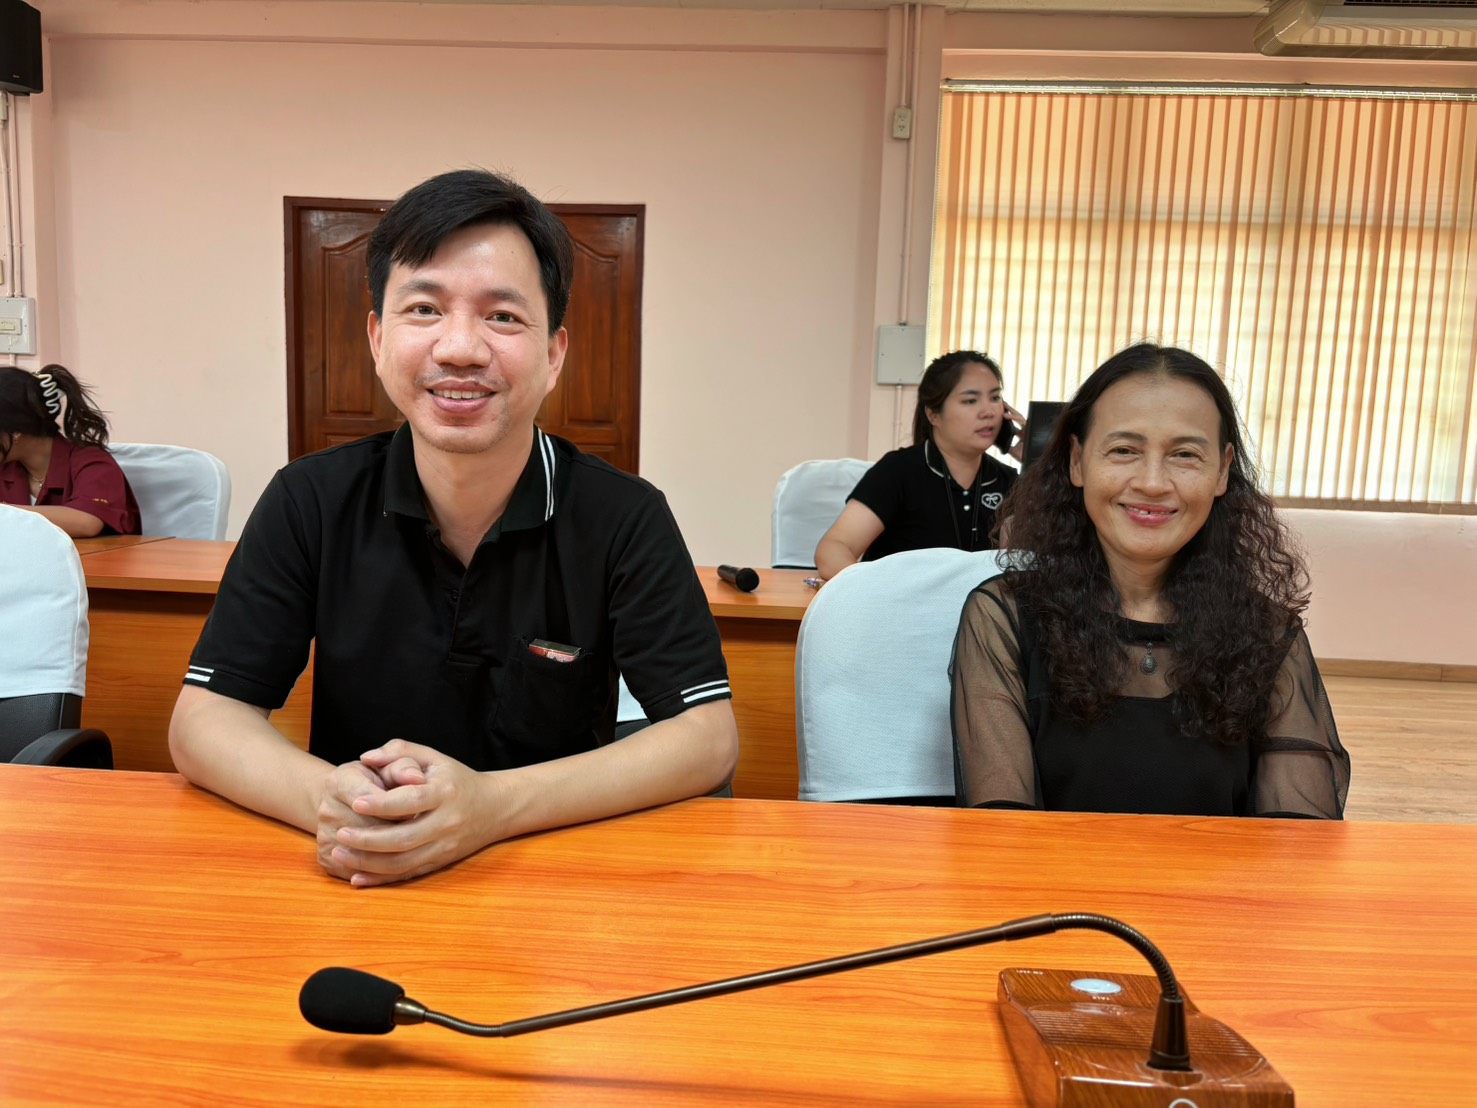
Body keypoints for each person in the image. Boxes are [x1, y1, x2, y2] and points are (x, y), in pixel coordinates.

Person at [169, 169, 739, 887]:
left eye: (502, 317)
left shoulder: (624, 516)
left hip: (550, 875)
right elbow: (204, 719)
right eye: (424, 309)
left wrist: (489, 808)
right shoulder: (309, 500)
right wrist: (337, 803)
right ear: (378, 339)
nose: (460, 348)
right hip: (359, 876)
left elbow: (706, 738)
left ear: (554, 353)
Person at [951, 343, 1350, 818]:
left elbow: (1297, 839)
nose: (1153, 482)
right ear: (1077, 461)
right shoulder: (1004, 618)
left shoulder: (1268, 632)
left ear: (1222, 471)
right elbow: (1001, 830)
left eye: (1185, 454)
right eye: (1124, 450)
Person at [814, 351, 1021, 580]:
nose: (989, 412)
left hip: (978, 604)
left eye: (995, 398)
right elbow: (833, 550)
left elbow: (1031, 565)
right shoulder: (899, 471)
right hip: (898, 600)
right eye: (970, 401)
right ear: (933, 415)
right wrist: (878, 590)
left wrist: (1034, 458)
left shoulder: (1009, 480)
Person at [0, 364, 140, 538]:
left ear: (16, 430)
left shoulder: (92, 462)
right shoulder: (7, 466)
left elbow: (87, 522)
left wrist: (6, 513)